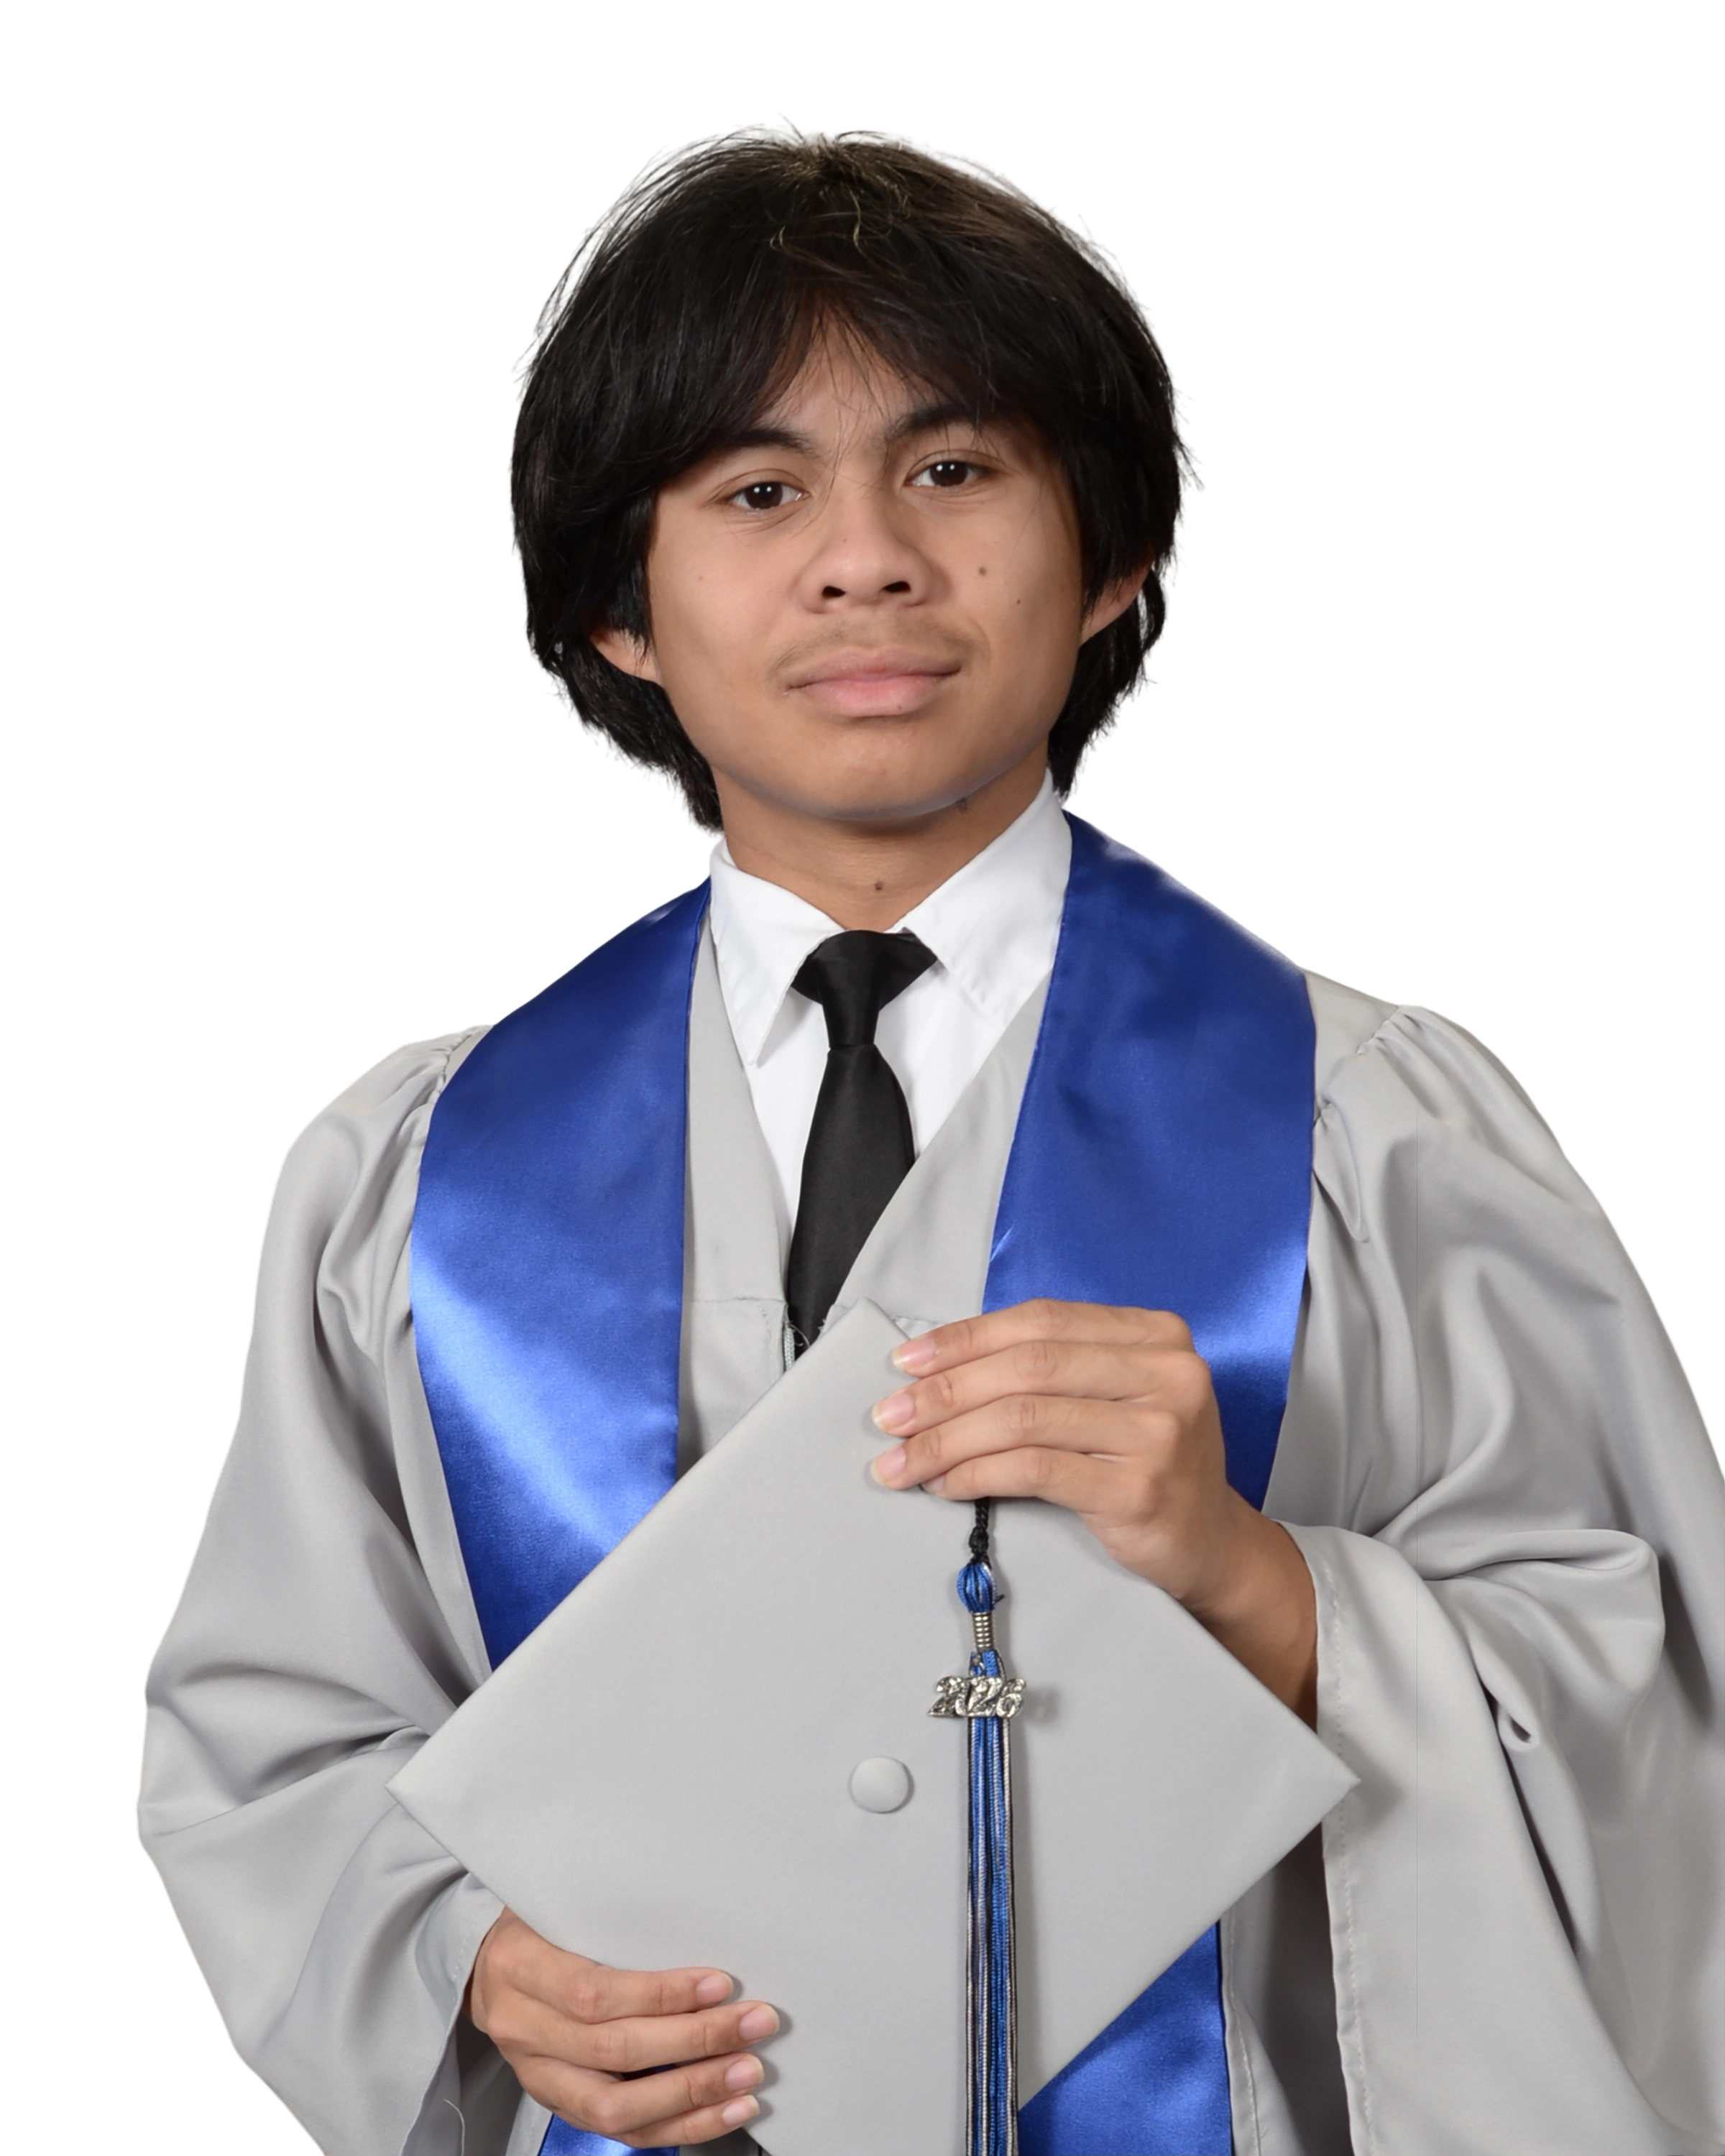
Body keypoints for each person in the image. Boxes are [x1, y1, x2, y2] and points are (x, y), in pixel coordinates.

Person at [135, 118, 1725, 2156]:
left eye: (955, 469)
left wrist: (1257, 1579)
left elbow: (1656, 1714)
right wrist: (464, 1957)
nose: (866, 557)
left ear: (1113, 554)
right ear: (621, 605)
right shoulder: (416, 1179)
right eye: (758, 488)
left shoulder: (1379, 1131)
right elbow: (276, 1743)